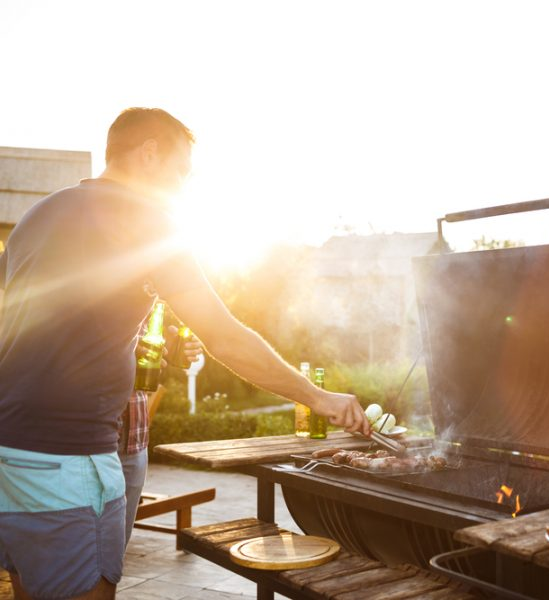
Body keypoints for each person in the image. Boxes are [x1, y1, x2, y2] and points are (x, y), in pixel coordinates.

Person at [0, 107, 370, 600]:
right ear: (149, 154)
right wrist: (316, 396)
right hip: (69, 461)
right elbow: (226, 337)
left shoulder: (39, 215)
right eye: (180, 172)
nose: (182, 187)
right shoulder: (147, 221)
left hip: (9, 454)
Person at [118, 323, 203, 546]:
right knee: (77, 552)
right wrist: (122, 352)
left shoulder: (148, 308)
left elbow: (151, 357)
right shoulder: (91, 296)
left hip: (135, 442)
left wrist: (173, 350)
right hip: (92, 443)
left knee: (115, 552)